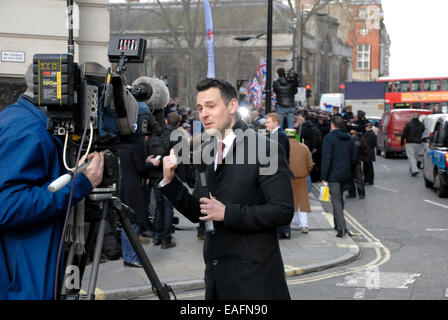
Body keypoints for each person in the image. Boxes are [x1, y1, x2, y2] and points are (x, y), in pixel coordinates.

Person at [160, 78, 294, 300]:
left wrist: (228, 213)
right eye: (200, 108)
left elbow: (283, 211)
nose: (204, 114)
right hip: (216, 282)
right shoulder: (206, 151)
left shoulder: (265, 148)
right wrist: (170, 181)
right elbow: (199, 212)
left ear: (232, 106)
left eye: (211, 106)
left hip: (254, 284)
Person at [0, 64, 104, 299]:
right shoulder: (29, 130)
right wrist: (81, 184)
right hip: (22, 281)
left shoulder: (21, 118)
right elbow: (6, 206)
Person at [118, 102, 160, 267]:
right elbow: (141, 168)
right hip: (135, 186)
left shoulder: (122, 137)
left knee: (127, 223)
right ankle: (130, 257)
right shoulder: (137, 142)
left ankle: (127, 255)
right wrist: (152, 163)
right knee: (133, 224)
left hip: (125, 184)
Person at [321, 115, 356, 238]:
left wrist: (324, 175)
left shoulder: (329, 138)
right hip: (346, 174)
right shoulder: (350, 139)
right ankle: (338, 225)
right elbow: (353, 159)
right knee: (340, 200)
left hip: (333, 175)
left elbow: (326, 158)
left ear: (333, 125)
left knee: (336, 200)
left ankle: (342, 228)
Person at [265, 112, 291, 239]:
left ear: (275, 123)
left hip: (278, 172)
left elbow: (279, 155)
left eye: (268, 122)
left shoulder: (280, 136)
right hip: (272, 171)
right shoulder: (271, 135)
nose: (266, 125)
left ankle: (284, 230)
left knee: (281, 202)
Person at [285, 129, 313, 234]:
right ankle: (304, 225)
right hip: (301, 178)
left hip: (287, 178)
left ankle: (291, 222)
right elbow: (310, 165)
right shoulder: (304, 148)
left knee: (289, 200)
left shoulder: (283, 147)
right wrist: (305, 172)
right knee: (302, 202)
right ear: (295, 135)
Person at [401, 112, 425, 176]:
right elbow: (423, 131)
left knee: (411, 156)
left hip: (410, 142)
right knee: (415, 157)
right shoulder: (422, 125)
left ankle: (415, 170)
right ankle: (412, 168)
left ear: (412, 116)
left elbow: (404, 133)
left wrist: (402, 140)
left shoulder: (408, 124)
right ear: (418, 117)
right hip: (418, 143)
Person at [347, 127, 366, 199]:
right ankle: (352, 193)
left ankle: (361, 193)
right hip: (350, 161)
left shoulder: (359, 139)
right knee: (350, 178)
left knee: (359, 178)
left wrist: (361, 158)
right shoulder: (348, 138)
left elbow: (364, 149)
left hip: (356, 161)